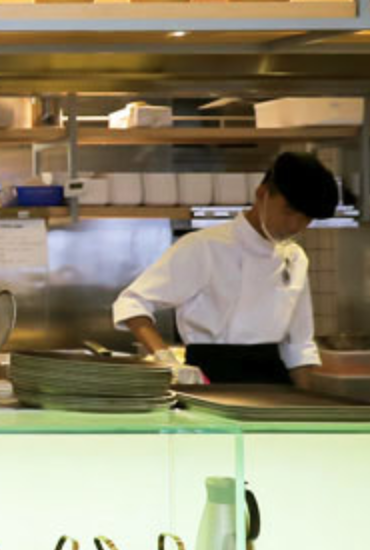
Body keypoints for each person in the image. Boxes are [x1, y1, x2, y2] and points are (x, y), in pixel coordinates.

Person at [112, 151, 340, 387]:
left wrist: (304, 404)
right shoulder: (203, 246)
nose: (294, 225)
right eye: (289, 211)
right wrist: (165, 359)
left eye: (306, 218)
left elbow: (299, 347)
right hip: (210, 377)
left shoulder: (295, 258)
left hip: (273, 382)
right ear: (262, 194)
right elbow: (133, 302)